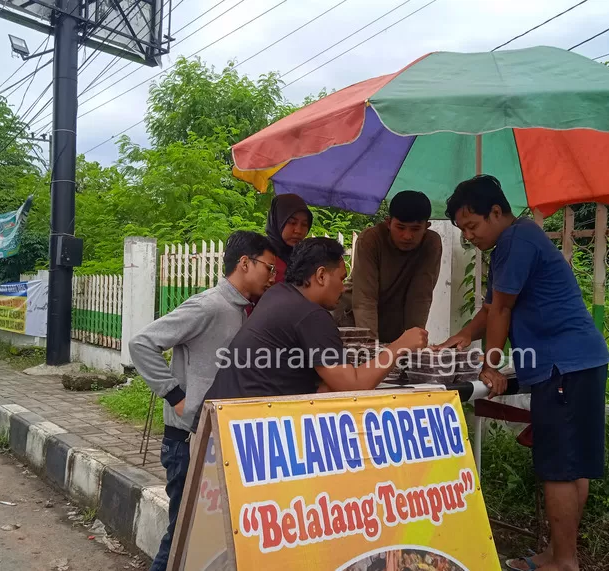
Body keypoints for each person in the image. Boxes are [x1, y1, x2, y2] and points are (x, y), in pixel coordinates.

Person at [438, 175, 609, 571]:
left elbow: (502, 311)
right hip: (581, 360)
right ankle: (558, 553)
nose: (469, 236)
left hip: (563, 366)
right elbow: (490, 308)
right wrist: (462, 337)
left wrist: (489, 367)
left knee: (558, 468)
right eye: (462, 230)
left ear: (496, 212)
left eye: (472, 226)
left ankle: (564, 561)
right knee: (573, 465)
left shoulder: (517, 241)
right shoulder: (513, 243)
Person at [128, 230, 278, 571]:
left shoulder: (241, 311)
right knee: (182, 536)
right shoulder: (209, 305)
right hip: (187, 441)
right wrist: (177, 397)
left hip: (214, 439)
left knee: (202, 540)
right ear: (245, 263)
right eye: (269, 268)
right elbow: (142, 344)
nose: (272, 277)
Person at [203, 237, 428, 401]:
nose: (343, 287)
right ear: (321, 275)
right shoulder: (310, 315)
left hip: (223, 411)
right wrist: (401, 345)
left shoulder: (278, 294)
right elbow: (355, 386)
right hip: (241, 426)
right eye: (341, 278)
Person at [333, 190, 442, 343]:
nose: (407, 236)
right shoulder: (370, 240)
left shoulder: (431, 243)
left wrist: (413, 344)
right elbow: (365, 299)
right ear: (388, 222)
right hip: (352, 322)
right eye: (400, 227)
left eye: (415, 229)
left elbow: (420, 297)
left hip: (391, 327)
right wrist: (370, 347)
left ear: (427, 226)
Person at [265, 193, 313, 284]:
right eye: (292, 222)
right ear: (278, 221)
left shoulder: (305, 258)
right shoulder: (260, 254)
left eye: (304, 224)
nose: (298, 230)